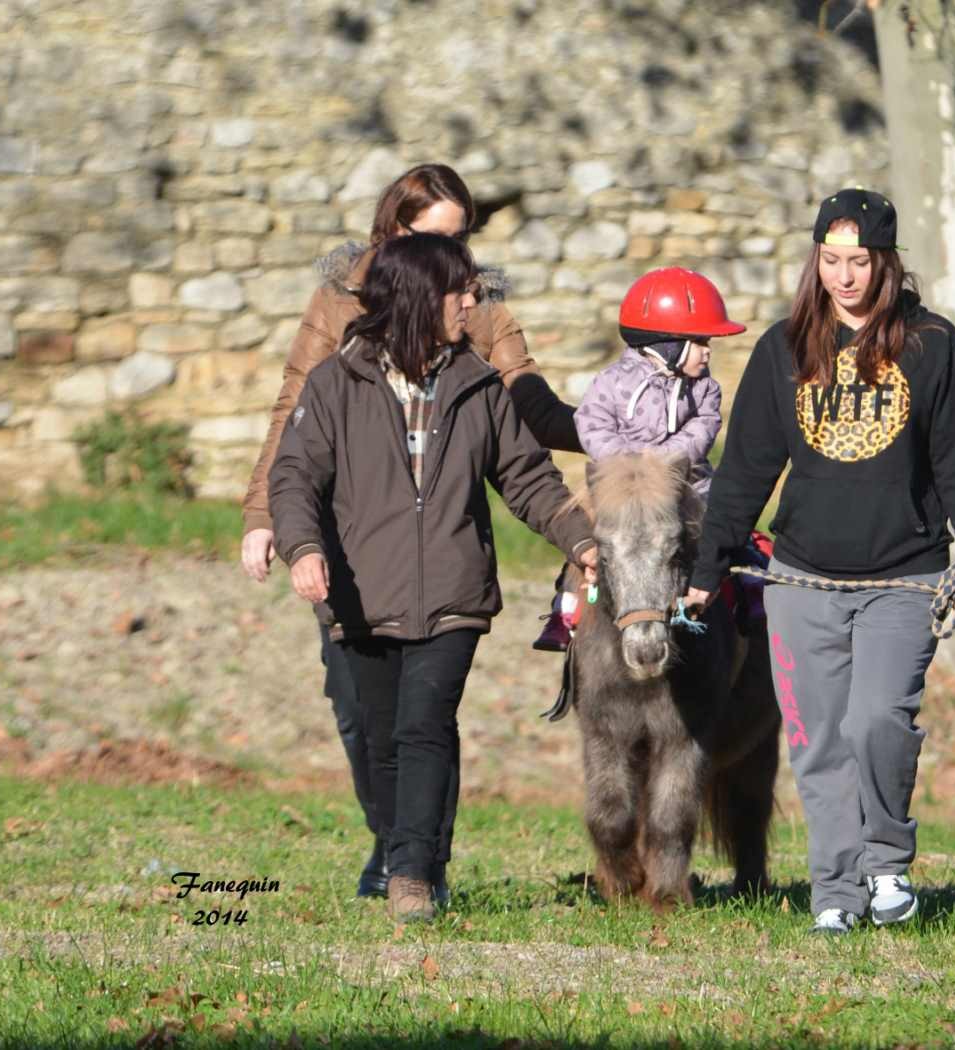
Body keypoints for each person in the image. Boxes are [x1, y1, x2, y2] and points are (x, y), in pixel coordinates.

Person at [238, 163, 580, 901]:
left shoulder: (472, 311)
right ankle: (393, 840)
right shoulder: (340, 308)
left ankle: (415, 866)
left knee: (426, 719)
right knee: (365, 716)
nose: (462, 264)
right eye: (436, 240)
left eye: (462, 240)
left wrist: (612, 431)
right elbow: (296, 416)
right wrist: (270, 520)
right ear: (395, 235)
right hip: (355, 552)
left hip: (445, 562)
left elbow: (526, 410)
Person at [684, 189, 955, 936]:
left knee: (875, 722)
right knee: (816, 741)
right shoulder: (783, 347)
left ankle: (885, 861)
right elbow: (745, 470)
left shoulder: (931, 345)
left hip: (905, 574)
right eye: (830, 260)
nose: (844, 276)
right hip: (800, 580)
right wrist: (708, 564)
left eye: (859, 261)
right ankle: (836, 892)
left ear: (884, 262)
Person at [532, 267, 743, 651]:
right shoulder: (612, 382)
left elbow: (705, 426)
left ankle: (744, 600)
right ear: (665, 346)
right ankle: (566, 615)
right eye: (699, 341)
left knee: (725, 535)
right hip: (620, 484)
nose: (708, 350)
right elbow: (590, 420)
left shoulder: (706, 388)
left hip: (686, 483)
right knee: (591, 547)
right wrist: (621, 461)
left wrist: (664, 461)